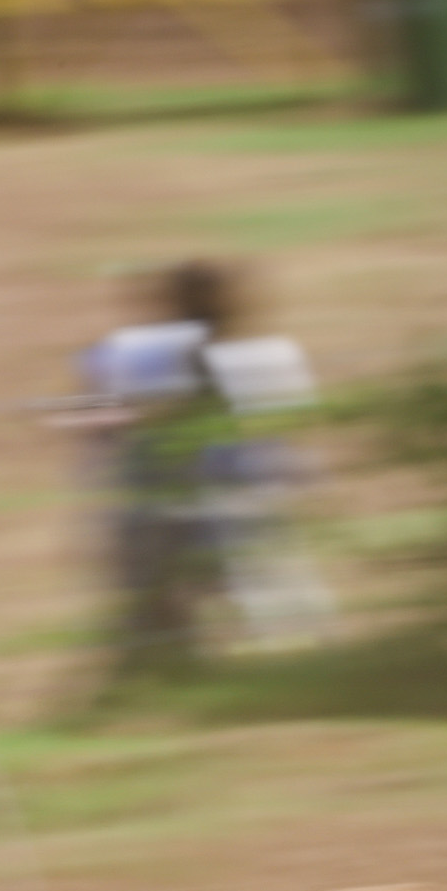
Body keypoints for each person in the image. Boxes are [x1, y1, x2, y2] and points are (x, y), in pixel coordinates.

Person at [75, 259, 334, 676]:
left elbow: (95, 431)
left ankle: (169, 666)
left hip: (184, 508)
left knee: (173, 607)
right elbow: (291, 437)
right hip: (210, 507)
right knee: (264, 601)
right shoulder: (263, 357)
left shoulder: (126, 356)